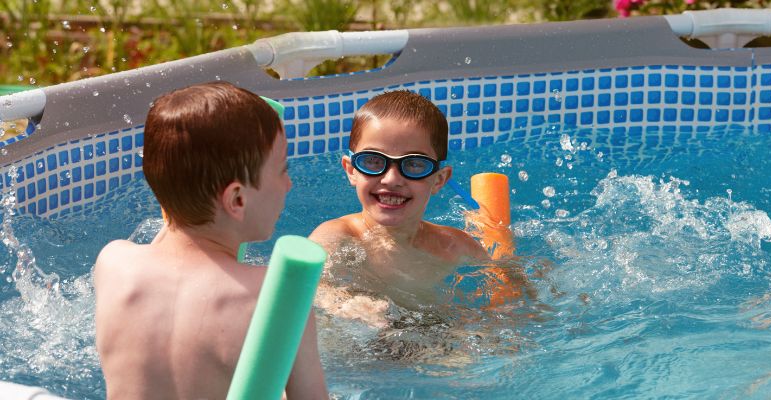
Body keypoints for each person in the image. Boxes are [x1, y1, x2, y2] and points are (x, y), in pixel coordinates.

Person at [92, 82, 328, 399]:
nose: (288, 184)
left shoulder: (114, 263)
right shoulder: (271, 295)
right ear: (238, 200)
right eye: (282, 170)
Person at [309, 91, 492, 327]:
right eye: (373, 161)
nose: (392, 179)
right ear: (351, 170)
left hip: (432, 335)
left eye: (414, 164)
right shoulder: (337, 236)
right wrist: (343, 303)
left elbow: (509, 289)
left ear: (439, 179)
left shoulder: (455, 246)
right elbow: (300, 284)